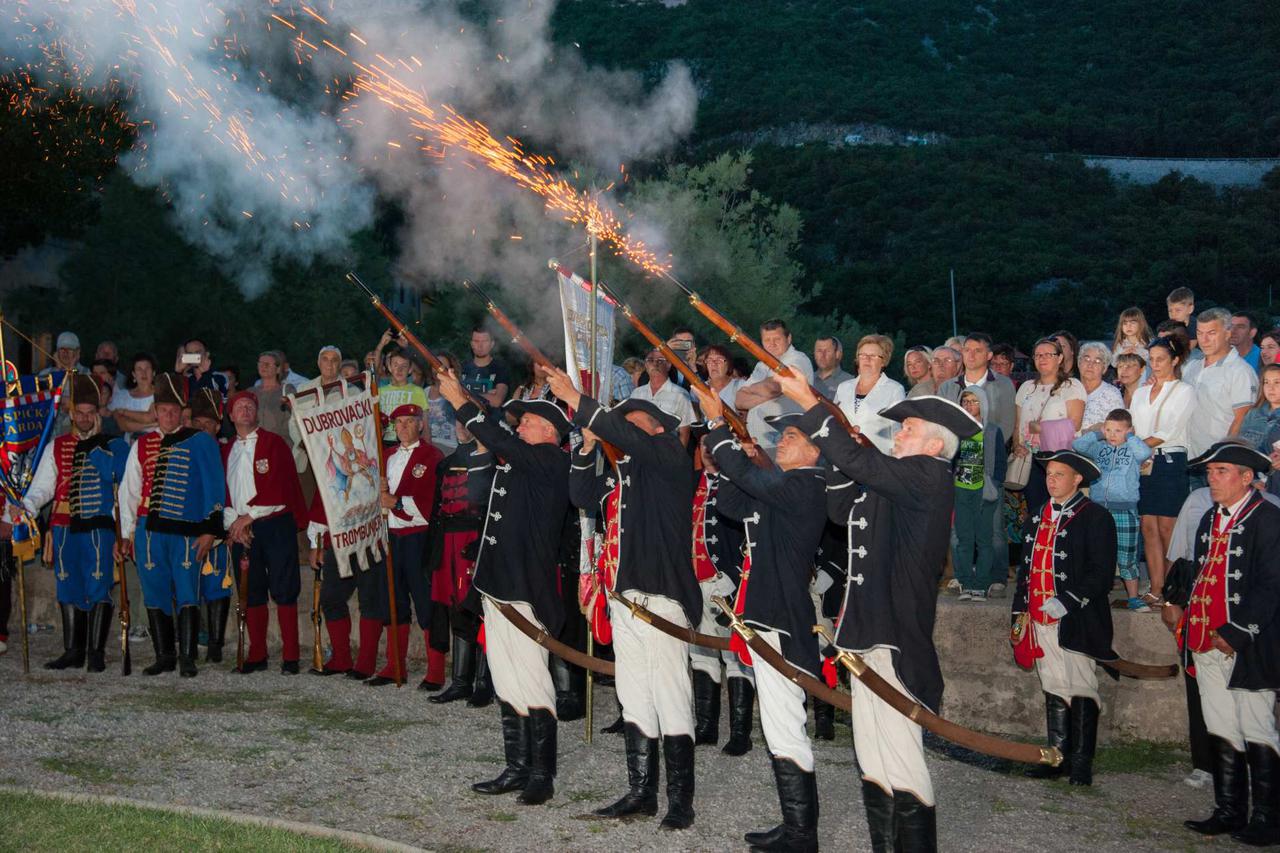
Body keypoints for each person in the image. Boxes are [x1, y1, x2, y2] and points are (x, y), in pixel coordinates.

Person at [778, 373, 981, 852]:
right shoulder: (894, 483)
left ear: (935, 443)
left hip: (893, 636)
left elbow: (864, 466)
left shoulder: (930, 475)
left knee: (902, 761)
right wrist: (841, 450)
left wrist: (814, 406)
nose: (898, 434)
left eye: (907, 429)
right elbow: (841, 507)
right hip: (866, 632)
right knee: (872, 758)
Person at [546, 365, 700, 830]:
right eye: (624, 422)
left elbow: (623, 435)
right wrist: (587, 448)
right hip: (625, 594)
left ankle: (680, 801)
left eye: (636, 423)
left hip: (663, 595)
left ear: (658, 430)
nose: (627, 431)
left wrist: (578, 399)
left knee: (670, 695)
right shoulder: (622, 477)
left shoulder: (670, 460)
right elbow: (581, 495)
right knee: (634, 696)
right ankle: (640, 792)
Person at [696, 389, 827, 853]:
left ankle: (801, 834)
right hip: (764, 617)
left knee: (786, 725)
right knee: (777, 726)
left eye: (790, 437)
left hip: (780, 620)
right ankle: (794, 828)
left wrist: (719, 430)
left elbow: (753, 482)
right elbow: (732, 506)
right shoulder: (783, 488)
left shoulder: (806, 485)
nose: (782, 443)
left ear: (814, 450)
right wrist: (743, 460)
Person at [438, 370, 569, 808]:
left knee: (534, 682)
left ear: (549, 430)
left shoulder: (551, 460)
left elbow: (501, 441)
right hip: (497, 584)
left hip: (526, 590)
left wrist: (461, 403)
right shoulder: (520, 462)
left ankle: (541, 773)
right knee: (508, 681)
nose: (520, 426)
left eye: (528, 421)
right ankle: (516, 766)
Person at [1168, 443, 1280, 844]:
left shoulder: (1269, 520)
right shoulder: (1210, 519)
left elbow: (1272, 585)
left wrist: (1236, 632)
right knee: (1220, 725)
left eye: (1222, 471)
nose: (1212, 479)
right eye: (1211, 472)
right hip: (1205, 640)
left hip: (1250, 644)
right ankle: (1229, 810)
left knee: (1257, 725)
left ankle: (1268, 818)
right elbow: (1199, 577)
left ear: (1247, 478)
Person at [1012, 450, 1118, 787]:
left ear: (1077, 480)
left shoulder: (1095, 517)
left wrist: (1067, 601)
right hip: (1039, 619)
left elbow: (1101, 575)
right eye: (1049, 474)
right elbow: (1025, 573)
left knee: (1081, 684)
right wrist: (1019, 615)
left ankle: (1082, 762)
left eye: (1060, 474)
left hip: (1077, 619)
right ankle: (1058, 755)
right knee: (1053, 683)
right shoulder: (1037, 516)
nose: (1052, 479)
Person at [18, 374, 128, 672]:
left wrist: (93, 442)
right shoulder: (57, 445)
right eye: (79, 412)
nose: (83, 418)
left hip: (99, 526)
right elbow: (43, 487)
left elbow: (117, 478)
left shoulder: (113, 445)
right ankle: (73, 651)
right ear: (71, 413)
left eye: (89, 413)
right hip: (63, 526)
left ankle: (96, 652)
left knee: (98, 584)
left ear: (98, 414)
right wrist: (25, 507)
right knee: (67, 586)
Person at [117, 373, 224, 677]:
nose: (169, 415)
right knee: (154, 591)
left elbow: (214, 487)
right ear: (155, 411)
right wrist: (125, 534)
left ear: (182, 413)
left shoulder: (200, 441)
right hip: (148, 530)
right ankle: (164, 655)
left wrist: (209, 530)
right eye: (163, 409)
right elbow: (130, 490)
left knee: (188, 590)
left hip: (188, 532)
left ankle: (187, 657)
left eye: (175, 410)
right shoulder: (142, 444)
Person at [221, 391, 307, 674]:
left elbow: (280, 488)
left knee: (284, 588)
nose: (245, 410)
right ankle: (257, 654)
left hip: (274, 523)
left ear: (256, 413)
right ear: (231, 416)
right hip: (241, 529)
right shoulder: (227, 450)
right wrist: (235, 523)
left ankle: (291, 656)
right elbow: (223, 493)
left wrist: (249, 517)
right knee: (251, 590)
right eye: (239, 407)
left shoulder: (274, 444)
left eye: (249, 406)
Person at [362, 404, 443, 688]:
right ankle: (395, 665)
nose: (404, 427)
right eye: (399, 423)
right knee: (392, 601)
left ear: (421, 425)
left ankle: (435, 671)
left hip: (418, 538)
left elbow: (431, 504)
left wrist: (395, 502)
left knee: (425, 601)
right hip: (390, 538)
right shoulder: (386, 457)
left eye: (410, 421)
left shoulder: (432, 456)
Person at [939, 332, 1018, 594]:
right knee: (958, 527)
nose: (970, 355)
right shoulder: (949, 386)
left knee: (993, 527)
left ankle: (996, 576)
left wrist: (985, 453)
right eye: (967, 350)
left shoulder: (1003, 384)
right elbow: (942, 424)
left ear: (989, 355)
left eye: (977, 350)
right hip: (957, 465)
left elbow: (1006, 424)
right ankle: (962, 575)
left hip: (988, 465)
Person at [686, 438, 751, 754]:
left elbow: (748, 535)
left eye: (714, 446)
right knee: (700, 653)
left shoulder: (737, 484)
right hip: (695, 584)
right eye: (703, 447)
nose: (708, 452)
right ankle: (706, 726)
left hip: (725, 583)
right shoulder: (690, 483)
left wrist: (735, 576)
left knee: (735, 655)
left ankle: (740, 732)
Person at [427, 420, 496, 705]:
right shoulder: (447, 464)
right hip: (449, 542)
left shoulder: (491, 463)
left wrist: (480, 543)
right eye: (458, 422)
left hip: (474, 539)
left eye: (467, 423)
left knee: (479, 609)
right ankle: (459, 681)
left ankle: (483, 684)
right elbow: (437, 509)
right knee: (456, 607)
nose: (462, 428)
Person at [1131, 337, 1195, 607]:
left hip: (1170, 460)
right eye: (1152, 359)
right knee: (1148, 527)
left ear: (1175, 360)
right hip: (1143, 463)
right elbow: (1132, 425)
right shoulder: (1141, 392)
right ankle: (1156, 587)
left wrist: (1133, 448)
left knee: (1168, 527)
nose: (1155, 365)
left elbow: (1167, 431)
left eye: (1161, 359)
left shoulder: (1184, 390)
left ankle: (1173, 588)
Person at [1073, 410, 1153, 611]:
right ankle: (1094, 594)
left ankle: (1133, 597)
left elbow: (1145, 453)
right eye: (1108, 429)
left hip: (1125, 511)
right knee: (1096, 554)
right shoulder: (1099, 448)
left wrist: (1131, 437)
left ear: (1129, 431)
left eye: (1118, 430)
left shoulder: (1133, 449)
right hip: (1099, 510)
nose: (1112, 434)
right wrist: (1097, 434)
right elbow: (1077, 446)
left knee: (1126, 556)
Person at [1013, 338, 1086, 514]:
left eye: (1048, 354)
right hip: (1031, 459)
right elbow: (1018, 425)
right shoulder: (1026, 388)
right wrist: (1016, 445)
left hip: (1059, 459)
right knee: (1036, 511)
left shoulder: (1072, 386)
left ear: (1060, 358)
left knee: (1061, 511)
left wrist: (1039, 428)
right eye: (1038, 355)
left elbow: (1074, 423)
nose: (1042, 358)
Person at [188, 388, 234, 662]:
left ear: (218, 426)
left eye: (208, 425)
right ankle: (191, 638)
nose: (203, 429)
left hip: (220, 524)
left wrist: (227, 525)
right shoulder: (183, 449)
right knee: (188, 583)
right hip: (189, 526)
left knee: (217, 583)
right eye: (198, 424)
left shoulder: (227, 451)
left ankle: (216, 643)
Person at [1183, 307, 1258, 461]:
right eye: (1199, 333)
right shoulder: (1192, 367)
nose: (1204, 340)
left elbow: (1242, 419)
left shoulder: (1240, 371)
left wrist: (1223, 457)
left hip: (1218, 460)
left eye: (1211, 333)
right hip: (1188, 458)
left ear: (1228, 333)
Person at [952, 387, 1006, 601]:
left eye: (974, 401)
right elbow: (949, 458)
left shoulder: (992, 430)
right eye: (965, 401)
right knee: (964, 539)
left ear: (983, 403)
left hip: (985, 492)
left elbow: (1000, 462)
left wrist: (994, 482)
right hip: (961, 491)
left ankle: (982, 585)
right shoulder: (956, 429)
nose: (969, 405)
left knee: (985, 540)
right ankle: (965, 583)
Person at [735, 319, 815, 453]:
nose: (772, 344)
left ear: (788, 339)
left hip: (785, 444)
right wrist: (767, 391)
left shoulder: (798, 359)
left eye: (777, 339)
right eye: (767, 340)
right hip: (758, 444)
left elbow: (775, 386)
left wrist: (752, 390)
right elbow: (739, 401)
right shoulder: (761, 365)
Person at [833, 334, 905, 454]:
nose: (867, 359)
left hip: (877, 460)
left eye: (873, 356)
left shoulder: (895, 389)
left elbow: (898, 431)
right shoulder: (843, 387)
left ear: (883, 361)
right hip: (843, 457)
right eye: (863, 355)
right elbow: (834, 422)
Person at [629, 348, 695, 447]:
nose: (655, 364)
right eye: (650, 360)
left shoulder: (680, 395)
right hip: (639, 451)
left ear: (668, 365)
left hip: (667, 453)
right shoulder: (637, 393)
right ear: (646, 365)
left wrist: (676, 459)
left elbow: (684, 434)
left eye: (660, 360)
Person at [377, 348, 429, 444]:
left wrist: (428, 448)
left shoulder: (418, 392)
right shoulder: (379, 392)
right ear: (389, 367)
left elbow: (425, 425)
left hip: (408, 441)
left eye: (404, 366)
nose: (399, 369)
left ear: (410, 369)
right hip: (384, 442)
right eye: (395, 365)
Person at [109, 353, 158, 440]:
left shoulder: (161, 393)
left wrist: (124, 412)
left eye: (147, 368)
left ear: (153, 373)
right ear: (134, 374)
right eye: (139, 369)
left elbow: (150, 417)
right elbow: (122, 425)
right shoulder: (122, 396)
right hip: (129, 446)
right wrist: (151, 425)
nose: (144, 373)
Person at [1077, 342, 1124, 433]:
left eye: (1097, 361)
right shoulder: (1069, 388)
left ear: (1104, 369)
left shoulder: (1112, 394)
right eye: (1086, 359)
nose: (1090, 365)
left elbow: (1119, 428)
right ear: (1079, 363)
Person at [460, 328, 511, 406]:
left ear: (492, 344)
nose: (480, 345)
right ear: (471, 344)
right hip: (464, 417)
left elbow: (496, 401)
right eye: (476, 341)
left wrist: (464, 394)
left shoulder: (500, 368)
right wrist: (486, 395)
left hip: (490, 417)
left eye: (485, 341)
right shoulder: (461, 368)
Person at [249, 351, 294, 439]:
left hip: (280, 443)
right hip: (255, 444)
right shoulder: (251, 392)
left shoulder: (287, 390)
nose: (263, 366)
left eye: (267, 364)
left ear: (277, 369)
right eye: (260, 363)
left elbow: (297, 417)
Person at [425, 353, 461, 456]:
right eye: (435, 365)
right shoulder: (424, 392)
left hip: (451, 447)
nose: (438, 369)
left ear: (451, 369)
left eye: (443, 366)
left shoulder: (457, 392)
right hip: (428, 446)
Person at [703, 344, 745, 413]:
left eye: (719, 360)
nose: (714, 364)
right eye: (710, 360)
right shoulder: (699, 388)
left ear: (728, 364)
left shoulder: (740, 386)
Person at [813, 335, 853, 400]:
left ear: (837, 354)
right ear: (814, 354)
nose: (823, 355)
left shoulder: (850, 382)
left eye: (827, 351)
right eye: (819, 351)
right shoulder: (807, 380)